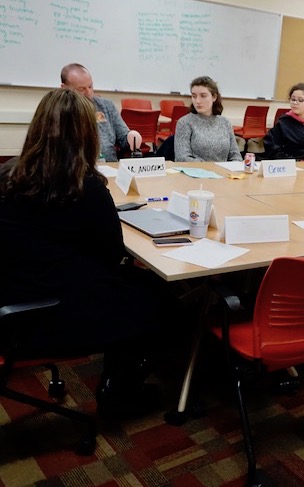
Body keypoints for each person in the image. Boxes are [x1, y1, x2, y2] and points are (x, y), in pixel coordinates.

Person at [0, 89, 170, 418]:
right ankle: (120, 388)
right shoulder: (86, 186)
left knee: (133, 287)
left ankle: (117, 377)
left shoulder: (8, 174)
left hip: (11, 302)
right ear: (87, 135)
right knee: (163, 302)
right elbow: (112, 255)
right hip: (52, 314)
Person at [60, 63, 141, 162]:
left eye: (90, 87)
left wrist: (132, 136)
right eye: (81, 89)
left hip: (110, 166)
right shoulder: (60, 110)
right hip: (76, 169)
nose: (88, 93)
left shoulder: (106, 106)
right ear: (64, 88)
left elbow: (123, 138)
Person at [174, 76, 243, 162]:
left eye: (203, 96)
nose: (197, 101)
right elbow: (182, 158)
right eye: (194, 96)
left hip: (224, 173)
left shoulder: (225, 122)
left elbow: (236, 156)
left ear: (214, 97)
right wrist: (210, 168)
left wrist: (233, 169)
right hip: (196, 172)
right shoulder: (185, 122)